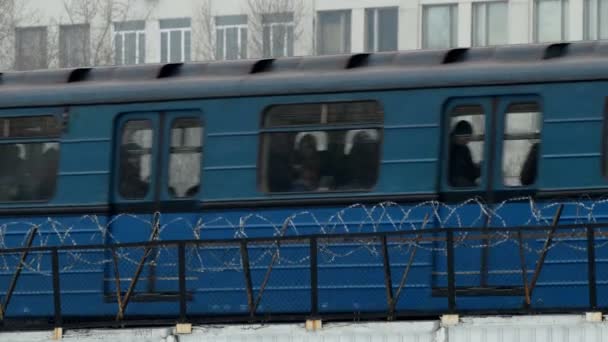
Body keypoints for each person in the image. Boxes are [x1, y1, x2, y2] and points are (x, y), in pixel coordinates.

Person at [448, 120, 481, 187]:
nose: (467, 141)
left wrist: (480, 168)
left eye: (469, 138)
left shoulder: (464, 149)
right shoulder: (447, 148)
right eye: (466, 138)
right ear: (457, 135)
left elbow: (470, 169)